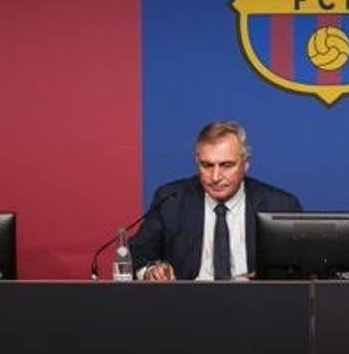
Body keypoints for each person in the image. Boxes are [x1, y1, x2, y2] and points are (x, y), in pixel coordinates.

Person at [129, 120, 302, 281]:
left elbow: (300, 270)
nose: (215, 177)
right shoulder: (171, 200)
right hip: (186, 300)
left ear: (246, 164)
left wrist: (268, 279)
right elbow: (136, 256)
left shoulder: (280, 205)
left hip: (255, 299)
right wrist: (151, 271)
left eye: (226, 165)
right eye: (207, 166)